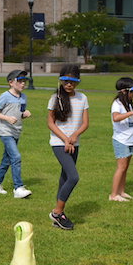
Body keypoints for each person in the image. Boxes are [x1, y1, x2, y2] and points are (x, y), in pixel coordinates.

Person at [47, 65, 89, 230]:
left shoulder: (82, 98)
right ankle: (57, 212)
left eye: (72, 81)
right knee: (73, 177)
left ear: (77, 82)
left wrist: (74, 137)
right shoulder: (55, 98)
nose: (68, 84)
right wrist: (66, 139)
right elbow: (50, 123)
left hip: (74, 142)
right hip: (59, 143)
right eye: (65, 81)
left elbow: (85, 123)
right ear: (61, 80)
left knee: (65, 177)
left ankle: (59, 215)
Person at [0, 69, 33, 198]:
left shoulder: (24, 97)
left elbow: (20, 114)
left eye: (24, 81)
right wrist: (7, 118)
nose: (23, 84)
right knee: (16, 157)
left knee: (7, 160)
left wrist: (24, 115)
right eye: (20, 81)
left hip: (16, 132)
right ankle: (18, 188)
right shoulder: (5, 96)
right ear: (11, 83)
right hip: (5, 131)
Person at [110, 77, 133, 201]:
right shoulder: (117, 104)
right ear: (124, 91)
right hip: (121, 140)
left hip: (129, 140)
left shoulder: (128, 104)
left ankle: (122, 191)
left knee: (125, 168)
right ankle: (113, 195)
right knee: (121, 167)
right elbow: (116, 118)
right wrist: (131, 113)